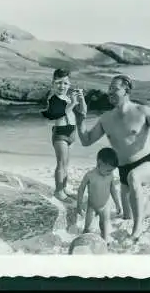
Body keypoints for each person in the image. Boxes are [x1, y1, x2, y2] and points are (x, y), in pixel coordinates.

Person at [75, 75, 150, 239]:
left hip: (149, 161)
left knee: (135, 177)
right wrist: (80, 119)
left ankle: (137, 229)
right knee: (129, 215)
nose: (110, 92)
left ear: (126, 90)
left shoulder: (142, 111)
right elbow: (86, 141)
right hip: (124, 170)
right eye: (109, 89)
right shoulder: (106, 118)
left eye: (114, 88)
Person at [41, 69, 86, 201]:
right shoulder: (53, 98)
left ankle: (64, 187)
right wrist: (72, 103)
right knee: (61, 163)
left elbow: (83, 112)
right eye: (58, 83)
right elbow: (59, 113)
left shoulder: (68, 98)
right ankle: (58, 191)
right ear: (53, 84)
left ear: (70, 84)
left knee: (66, 164)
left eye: (65, 83)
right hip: (60, 134)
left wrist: (81, 99)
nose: (62, 86)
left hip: (71, 133)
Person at [76, 147, 122, 243]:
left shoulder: (110, 175)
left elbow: (113, 190)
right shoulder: (90, 175)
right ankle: (84, 238)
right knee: (87, 226)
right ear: (99, 163)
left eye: (112, 170)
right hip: (92, 206)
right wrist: (79, 205)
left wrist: (117, 203)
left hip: (104, 206)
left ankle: (104, 241)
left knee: (103, 226)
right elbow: (81, 190)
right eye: (108, 170)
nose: (110, 172)